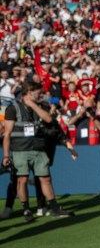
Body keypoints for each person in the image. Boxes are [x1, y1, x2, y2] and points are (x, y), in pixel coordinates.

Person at [2, 81, 71, 222]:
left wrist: (33, 105)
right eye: (38, 92)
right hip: (20, 149)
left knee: (45, 179)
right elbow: (7, 134)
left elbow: (49, 119)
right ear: (29, 92)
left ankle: (55, 209)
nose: (41, 95)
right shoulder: (12, 109)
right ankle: (26, 209)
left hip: (39, 148)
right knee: (22, 179)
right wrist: (6, 155)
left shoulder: (39, 107)